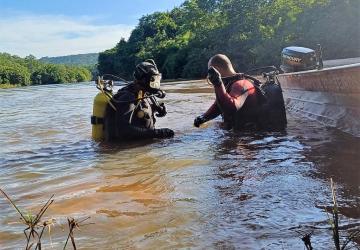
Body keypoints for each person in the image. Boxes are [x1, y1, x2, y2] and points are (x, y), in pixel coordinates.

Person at [194, 54, 287, 131]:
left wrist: (218, 84)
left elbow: (231, 107)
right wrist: (203, 118)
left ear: (217, 70)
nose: (209, 75)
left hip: (249, 139)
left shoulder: (241, 84)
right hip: (239, 133)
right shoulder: (230, 85)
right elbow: (218, 106)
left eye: (210, 71)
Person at [103, 59, 174, 142]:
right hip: (125, 150)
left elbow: (139, 113)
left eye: (157, 80)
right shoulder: (128, 98)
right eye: (152, 80)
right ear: (143, 80)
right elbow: (124, 131)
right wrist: (158, 133)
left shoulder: (143, 93)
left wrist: (155, 109)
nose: (155, 84)